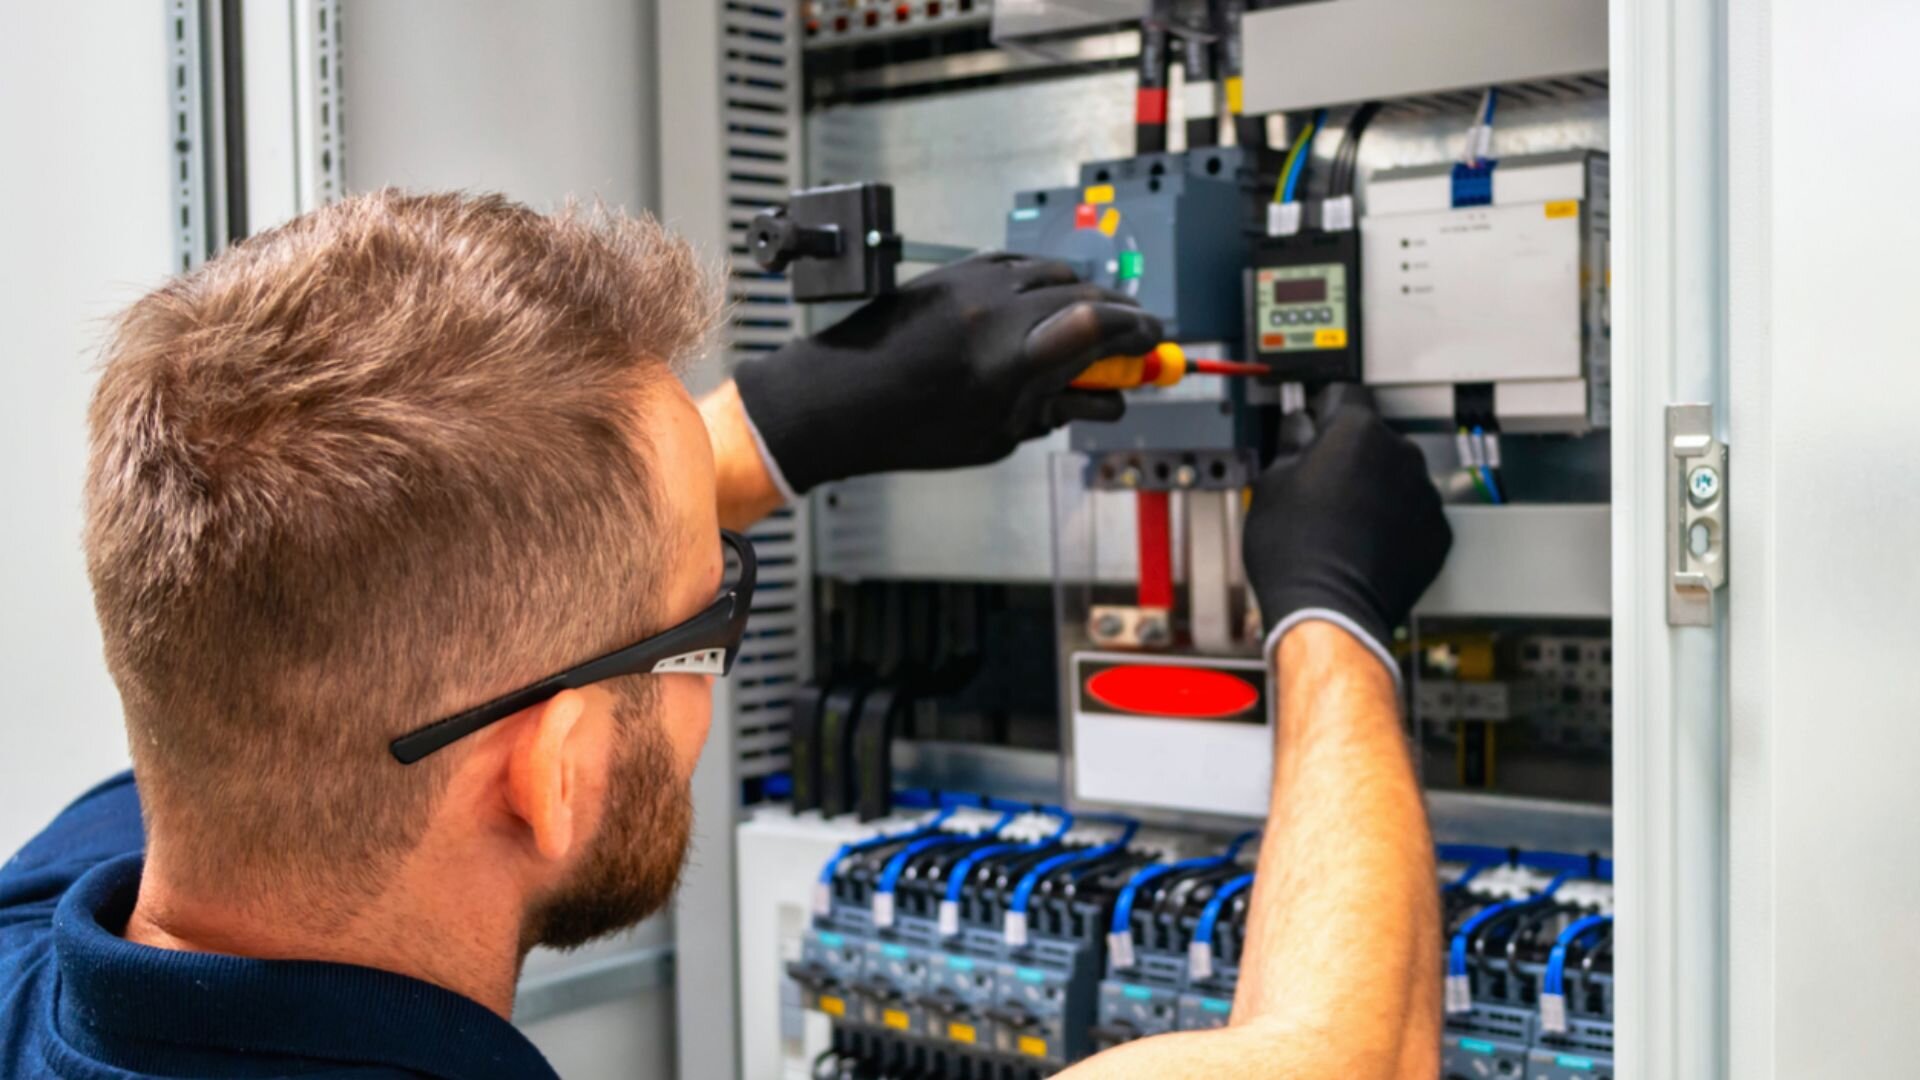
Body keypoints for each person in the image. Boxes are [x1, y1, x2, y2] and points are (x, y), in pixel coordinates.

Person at [0, 191, 1449, 1079]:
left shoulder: (45, 942)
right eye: (711, 608)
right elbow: (1347, 1056)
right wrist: (1330, 615)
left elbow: (344, 585)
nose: (719, 647)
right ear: (553, 769)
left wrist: (775, 423)